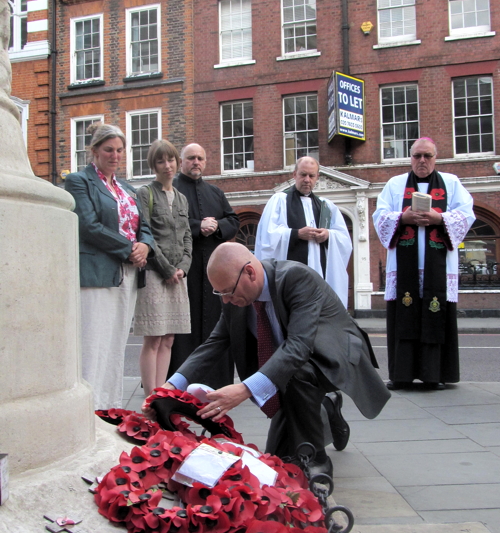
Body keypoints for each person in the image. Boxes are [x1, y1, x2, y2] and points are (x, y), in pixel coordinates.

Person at [146, 243, 390, 479]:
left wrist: (244, 389)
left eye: (228, 292)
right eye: (219, 294)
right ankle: (326, 408)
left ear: (250, 272)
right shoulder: (235, 297)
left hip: (331, 351)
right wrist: (170, 388)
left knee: (295, 375)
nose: (226, 301)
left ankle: (315, 462)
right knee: (277, 458)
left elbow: (298, 346)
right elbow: (215, 343)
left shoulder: (296, 278)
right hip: (293, 363)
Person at [254, 156, 353, 451]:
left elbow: (344, 241)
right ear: (293, 174)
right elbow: (267, 239)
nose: (307, 180)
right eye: (302, 175)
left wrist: (328, 236)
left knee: (315, 351)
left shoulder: (327, 208)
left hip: (318, 294)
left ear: (318, 177)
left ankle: (318, 411)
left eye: (312, 176)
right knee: (292, 349)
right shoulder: (279, 202)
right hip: (289, 293)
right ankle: (316, 413)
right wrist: (296, 233)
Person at [373, 137, 475, 390]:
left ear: (435, 158)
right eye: (417, 156)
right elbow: (380, 216)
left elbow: (466, 213)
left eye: (427, 156)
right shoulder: (395, 185)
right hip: (404, 267)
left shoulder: (451, 183)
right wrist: (403, 216)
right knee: (404, 317)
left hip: (438, 269)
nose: (421, 161)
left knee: (434, 312)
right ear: (410, 158)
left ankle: (434, 374)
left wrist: (439, 218)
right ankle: (401, 375)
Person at [65, 123, 155, 409]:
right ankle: (88, 408)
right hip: (98, 273)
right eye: (108, 150)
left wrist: (145, 246)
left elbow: (145, 226)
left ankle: (110, 406)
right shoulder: (79, 181)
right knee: (94, 342)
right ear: (94, 151)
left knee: (116, 344)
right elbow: (89, 226)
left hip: (129, 274)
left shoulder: (128, 188)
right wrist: (129, 249)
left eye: (119, 150)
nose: (115, 155)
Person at [169, 143, 240, 389]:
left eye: (200, 158)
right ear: (181, 161)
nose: (195, 162)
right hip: (183, 268)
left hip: (213, 270)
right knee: (182, 329)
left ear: (206, 161)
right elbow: (169, 224)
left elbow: (233, 220)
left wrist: (217, 226)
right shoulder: (172, 188)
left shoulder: (215, 192)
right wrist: (199, 226)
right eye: (190, 158)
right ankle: (178, 382)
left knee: (215, 325)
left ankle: (215, 380)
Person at [134, 140, 192, 396]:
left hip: (178, 277)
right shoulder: (145, 194)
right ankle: (150, 399)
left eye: (170, 160)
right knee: (154, 338)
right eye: (161, 161)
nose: (167, 166)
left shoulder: (181, 198)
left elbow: (188, 237)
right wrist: (168, 269)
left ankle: (160, 395)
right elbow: (145, 235)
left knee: (168, 339)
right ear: (153, 165)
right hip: (156, 275)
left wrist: (183, 268)